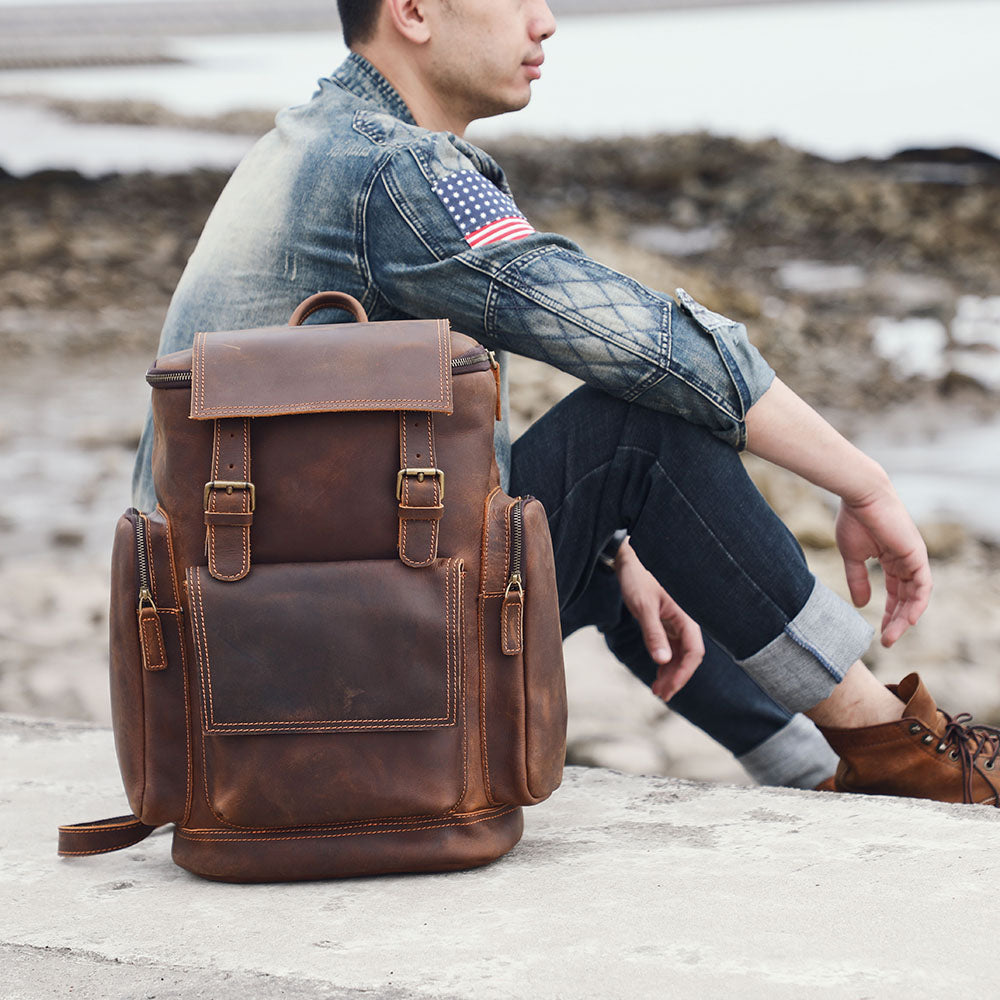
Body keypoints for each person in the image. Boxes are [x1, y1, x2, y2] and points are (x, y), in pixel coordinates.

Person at [133, 0, 999, 804]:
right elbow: (649, 346)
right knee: (636, 434)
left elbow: (357, 479)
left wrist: (607, 546)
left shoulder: (308, 144)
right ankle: (898, 752)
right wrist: (862, 481)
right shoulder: (394, 171)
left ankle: (815, 776)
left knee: (614, 553)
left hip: (235, 678)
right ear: (413, 10)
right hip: (321, 696)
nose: (545, 20)